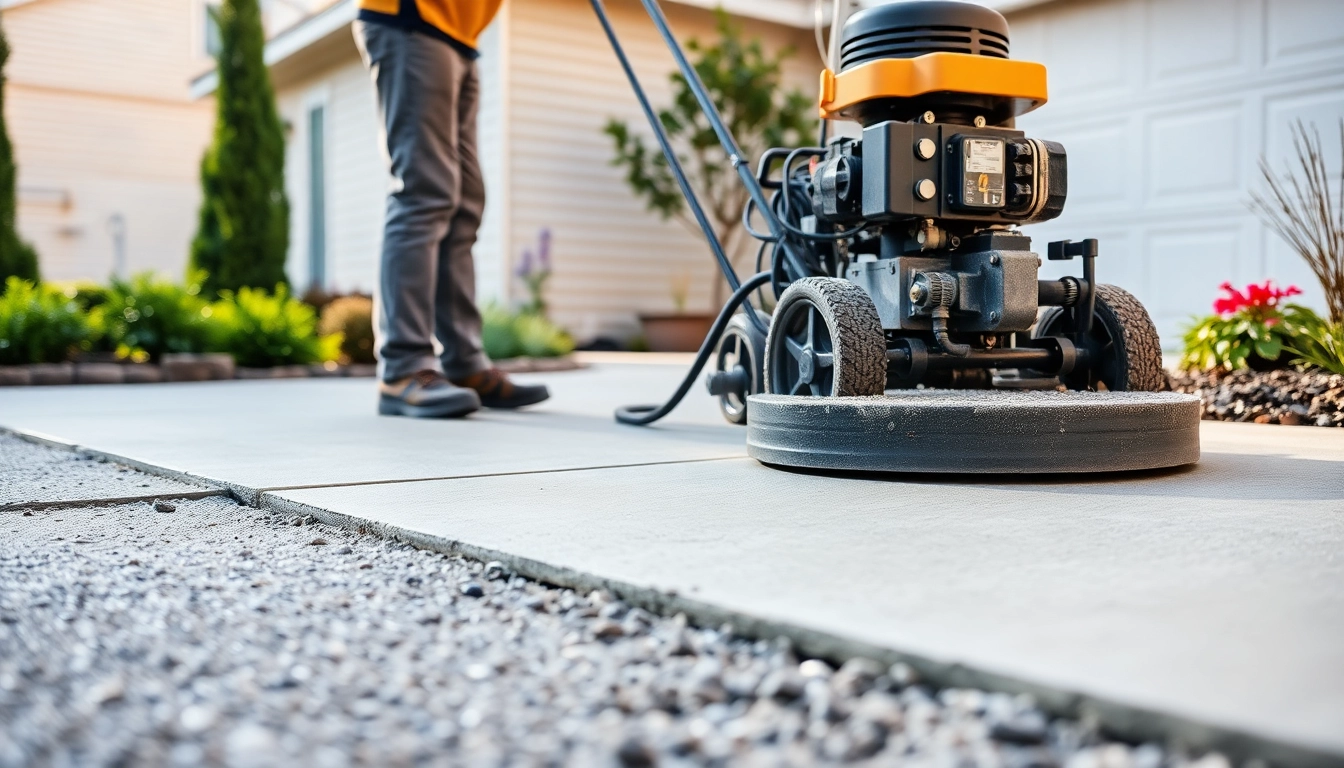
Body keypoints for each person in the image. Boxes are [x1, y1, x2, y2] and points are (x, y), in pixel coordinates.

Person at [355, 0, 550, 418]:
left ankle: (464, 364)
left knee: (464, 204)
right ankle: (403, 369)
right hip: (411, 18)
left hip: (459, 33)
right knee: (424, 192)